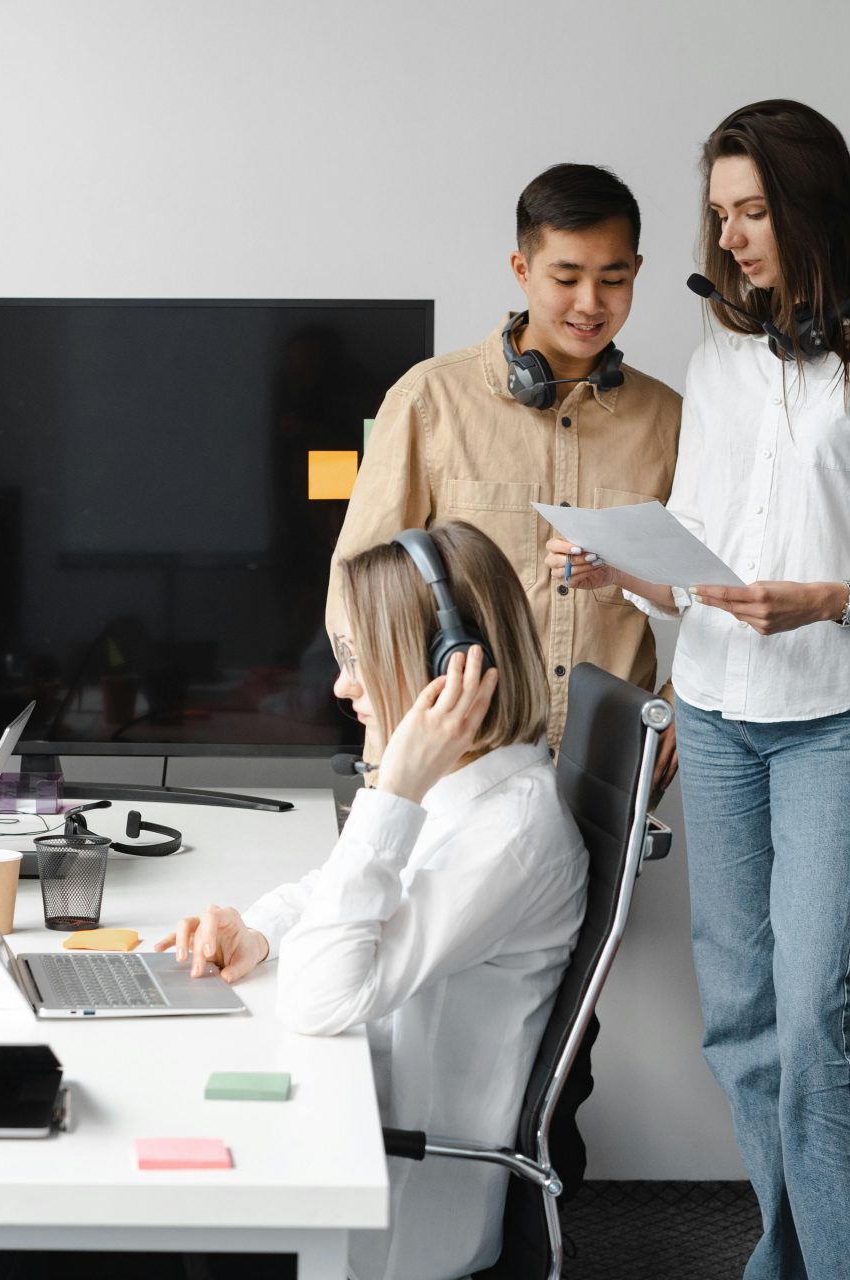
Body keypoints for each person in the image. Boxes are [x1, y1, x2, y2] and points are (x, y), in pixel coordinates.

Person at [549, 100, 850, 1279]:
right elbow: (703, 547)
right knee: (742, 1025)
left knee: (816, 1029)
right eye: (721, 213)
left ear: (813, 208)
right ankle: (787, 1260)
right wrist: (617, 565)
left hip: (834, 720)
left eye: (752, 211)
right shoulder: (720, 358)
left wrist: (832, 599)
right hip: (714, 707)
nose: (732, 237)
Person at [161, 521, 588, 1280]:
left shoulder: (511, 832)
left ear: (449, 668)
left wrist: (394, 786)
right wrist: (257, 930)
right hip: (349, 1138)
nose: (341, 686)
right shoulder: (470, 793)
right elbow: (339, 888)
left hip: (389, 1217)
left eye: (361, 659)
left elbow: (322, 997)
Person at [328, 163, 682, 792]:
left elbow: (718, 591)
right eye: (566, 277)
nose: (590, 304)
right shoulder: (427, 400)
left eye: (613, 279)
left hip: (600, 775)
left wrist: (683, 701)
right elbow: (358, 585)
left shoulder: (671, 420)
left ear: (637, 272)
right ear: (522, 270)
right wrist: (391, 754)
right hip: (454, 778)